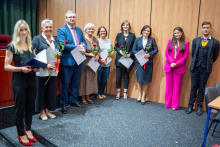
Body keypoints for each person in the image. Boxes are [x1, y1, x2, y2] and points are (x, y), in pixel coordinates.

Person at [4, 20, 40, 146]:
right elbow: (6, 66)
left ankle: (28, 129)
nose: (24, 32)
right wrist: (20, 69)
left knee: (30, 107)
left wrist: (37, 68)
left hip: (31, 79)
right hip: (19, 81)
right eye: (21, 29)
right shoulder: (12, 46)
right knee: (20, 109)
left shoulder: (31, 46)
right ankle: (21, 133)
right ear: (17, 31)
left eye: (26, 29)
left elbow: (34, 64)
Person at [186, 21, 220, 116]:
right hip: (195, 67)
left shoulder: (215, 42)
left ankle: (199, 107)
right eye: (204, 27)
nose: (206, 29)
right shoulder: (196, 40)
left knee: (202, 88)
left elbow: (215, 56)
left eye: (207, 27)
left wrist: (208, 62)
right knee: (193, 87)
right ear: (201, 29)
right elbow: (193, 53)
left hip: (206, 68)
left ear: (210, 29)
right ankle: (190, 105)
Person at [57, 10, 87, 114]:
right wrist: (78, 47)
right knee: (65, 84)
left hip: (79, 59)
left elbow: (84, 42)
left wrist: (84, 48)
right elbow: (62, 44)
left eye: (73, 17)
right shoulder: (61, 30)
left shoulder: (79, 30)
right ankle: (64, 103)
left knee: (76, 82)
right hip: (67, 60)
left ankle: (74, 100)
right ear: (66, 19)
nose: (72, 19)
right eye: (70, 17)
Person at [32, 19, 61, 120]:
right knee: (41, 92)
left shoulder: (55, 40)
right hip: (42, 70)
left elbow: (58, 50)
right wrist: (45, 65)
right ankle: (42, 111)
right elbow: (33, 54)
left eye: (50, 27)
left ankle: (48, 110)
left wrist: (58, 57)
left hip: (53, 70)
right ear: (42, 28)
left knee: (50, 91)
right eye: (46, 27)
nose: (49, 29)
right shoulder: (37, 39)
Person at [164, 27, 189, 110]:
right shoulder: (170, 42)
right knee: (168, 87)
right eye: (175, 33)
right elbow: (166, 53)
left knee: (176, 88)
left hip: (179, 68)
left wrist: (176, 64)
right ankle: (167, 104)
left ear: (182, 33)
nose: (176, 34)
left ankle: (174, 105)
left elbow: (185, 56)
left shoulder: (186, 43)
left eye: (178, 33)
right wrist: (171, 62)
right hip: (169, 66)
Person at [132, 25, 158, 105]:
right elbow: (134, 49)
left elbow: (156, 50)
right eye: (145, 30)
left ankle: (143, 96)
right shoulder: (137, 39)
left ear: (149, 32)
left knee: (146, 79)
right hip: (140, 62)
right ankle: (139, 95)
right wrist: (139, 55)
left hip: (148, 62)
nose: (146, 32)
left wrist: (149, 54)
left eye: (148, 31)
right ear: (142, 30)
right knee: (139, 79)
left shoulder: (152, 40)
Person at [78, 23, 100, 104]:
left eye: (92, 29)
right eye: (89, 29)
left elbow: (99, 49)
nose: (91, 30)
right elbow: (80, 50)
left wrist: (97, 55)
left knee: (91, 79)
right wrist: (88, 54)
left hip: (93, 62)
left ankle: (88, 96)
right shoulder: (82, 39)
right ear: (86, 30)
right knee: (83, 79)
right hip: (84, 62)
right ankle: (83, 97)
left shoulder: (96, 39)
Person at [114, 20, 136, 100]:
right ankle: (118, 92)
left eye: (127, 25)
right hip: (119, 58)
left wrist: (130, 54)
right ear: (122, 26)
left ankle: (125, 93)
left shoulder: (132, 35)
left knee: (127, 76)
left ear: (129, 26)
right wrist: (119, 50)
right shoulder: (118, 35)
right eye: (124, 25)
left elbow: (134, 47)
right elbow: (115, 46)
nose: (125, 26)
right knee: (118, 76)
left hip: (128, 59)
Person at [96, 26, 113, 99]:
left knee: (105, 79)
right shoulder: (97, 40)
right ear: (99, 32)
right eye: (101, 31)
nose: (103, 32)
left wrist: (111, 54)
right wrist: (99, 59)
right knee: (97, 78)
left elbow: (112, 50)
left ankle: (102, 92)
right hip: (99, 63)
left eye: (104, 31)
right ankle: (97, 93)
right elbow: (95, 51)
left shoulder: (109, 40)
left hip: (107, 63)